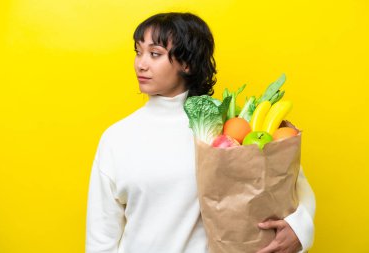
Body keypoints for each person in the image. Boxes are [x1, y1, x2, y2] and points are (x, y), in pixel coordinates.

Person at [85, 12, 316, 253]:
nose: (141, 63)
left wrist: (299, 229)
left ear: (187, 63)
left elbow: (290, 180)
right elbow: (101, 237)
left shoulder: (228, 121)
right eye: (138, 52)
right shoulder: (117, 137)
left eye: (155, 54)